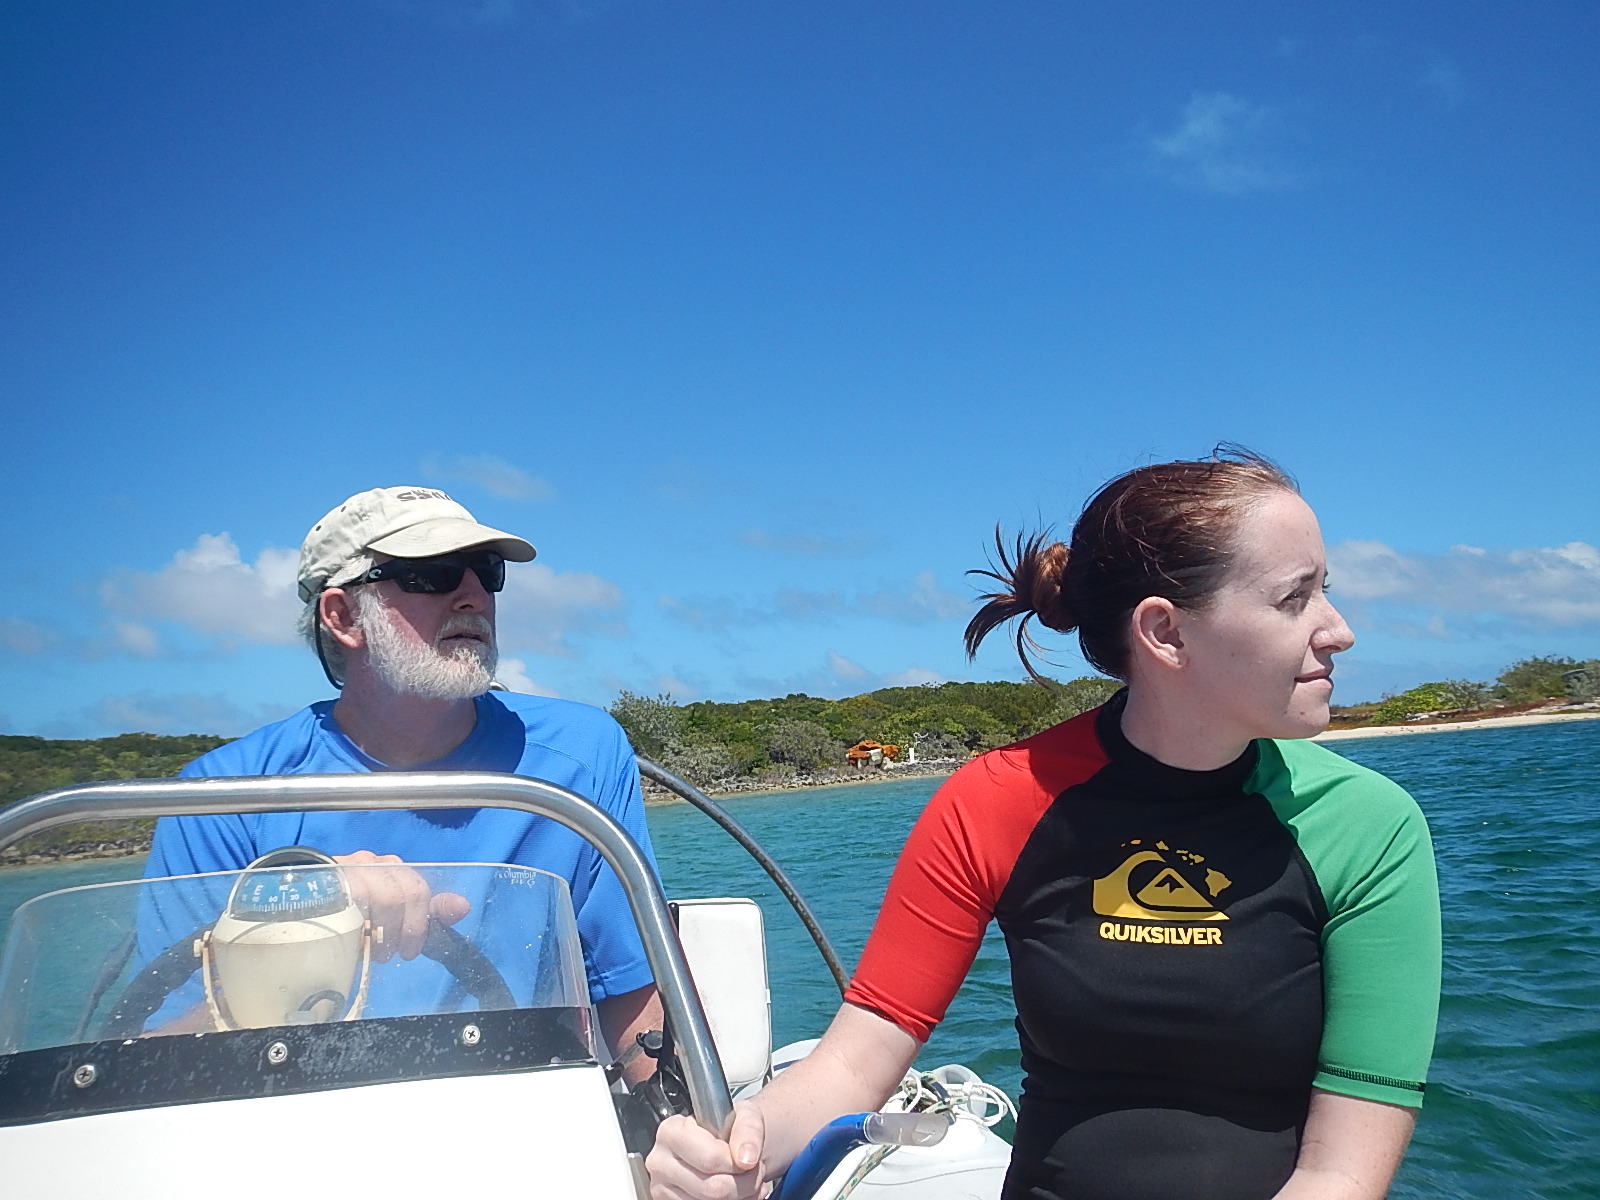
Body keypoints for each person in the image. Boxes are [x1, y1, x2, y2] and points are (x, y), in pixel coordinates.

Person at [647, 451, 1441, 1200]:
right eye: (1295, 597)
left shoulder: (1368, 827)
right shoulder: (998, 799)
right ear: (1165, 632)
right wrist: (739, 1148)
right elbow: (858, 1060)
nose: (1339, 629)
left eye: (1325, 590)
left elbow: (1342, 1173)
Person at [143, 486, 663, 1076]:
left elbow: (630, 990)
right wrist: (300, 938)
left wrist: (682, 1120)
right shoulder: (220, 797)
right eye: (431, 574)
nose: (473, 595)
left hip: (530, 1101)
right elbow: (162, 1054)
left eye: (486, 571)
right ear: (343, 618)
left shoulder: (584, 754)